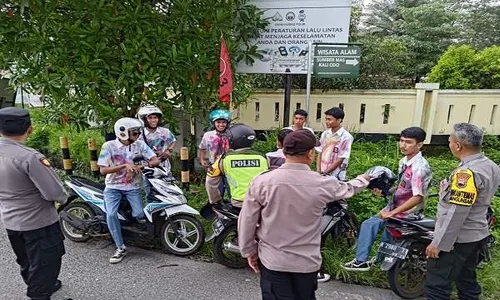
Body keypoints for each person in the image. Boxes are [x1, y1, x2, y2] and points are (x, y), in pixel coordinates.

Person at [238, 129, 372, 300]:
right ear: (310, 154)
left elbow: (247, 221)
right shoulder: (322, 183)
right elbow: (349, 188)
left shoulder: (262, 182)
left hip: (273, 262)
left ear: (283, 150)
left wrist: (249, 251)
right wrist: (366, 177)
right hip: (306, 265)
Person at [426, 123, 500, 300]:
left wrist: (439, 244)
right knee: (467, 283)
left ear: (457, 145)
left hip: (456, 240)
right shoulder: (490, 165)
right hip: (476, 236)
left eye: (450, 140)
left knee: (437, 287)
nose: (449, 144)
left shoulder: (466, 174)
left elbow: (457, 212)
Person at [0, 107, 68, 300]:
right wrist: (64, 199)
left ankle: (39, 285)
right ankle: (39, 293)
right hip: (39, 222)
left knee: (26, 259)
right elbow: (54, 193)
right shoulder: (29, 157)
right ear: (30, 129)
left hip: (10, 220)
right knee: (46, 263)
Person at [343, 126, 432, 271]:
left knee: (369, 224)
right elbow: (403, 187)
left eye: (408, 142)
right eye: (402, 141)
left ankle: (361, 261)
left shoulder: (419, 168)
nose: (403, 145)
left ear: (420, 144)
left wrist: (392, 213)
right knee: (381, 231)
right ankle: (376, 261)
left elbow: (417, 197)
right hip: (394, 207)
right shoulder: (404, 161)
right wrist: (386, 192)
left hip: (408, 213)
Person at [97, 117, 160, 264]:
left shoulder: (139, 145)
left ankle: (128, 232)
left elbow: (155, 160)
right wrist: (124, 166)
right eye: (134, 132)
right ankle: (120, 247)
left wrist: (139, 167)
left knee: (139, 213)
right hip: (113, 187)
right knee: (111, 214)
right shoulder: (109, 146)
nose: (138, 134)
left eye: (138, 132)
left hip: (133, 187)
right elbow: (103, 170)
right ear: (123, 133)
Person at [205, 123, 269, 208]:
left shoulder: (224, 159)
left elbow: (210, 182)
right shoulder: (264, 158)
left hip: (238, 204)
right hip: (262, 203)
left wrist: (215, 201)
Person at [199, 109, 231, 198]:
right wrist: (202, 159)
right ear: (213, 123)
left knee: (231, 190)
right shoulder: (208, 135)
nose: (221, 125)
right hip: (214, 166)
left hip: (229, 167)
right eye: (218, 122)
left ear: (227, 123)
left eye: (223, 122)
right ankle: (216, 208)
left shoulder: (231, 134)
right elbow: (202, 148)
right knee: (215, 191)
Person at [316, 107, 354, 180]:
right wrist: (318, 171)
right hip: (322, 173)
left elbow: (341, 158)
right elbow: (320, 152)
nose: (327, 121)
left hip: (336, 175)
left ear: (339, 120)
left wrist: (325, 172)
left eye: (330, 119)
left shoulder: (346, 137)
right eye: (326, 119)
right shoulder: (325, 134)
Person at [137, 105, 176, 174]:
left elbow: (173, 141)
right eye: (150, 118)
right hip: (145, 165)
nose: (153, 120)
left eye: (155, 117)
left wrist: (168, 151)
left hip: (163, 166)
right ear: (144, 120)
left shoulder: (165, 132)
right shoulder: (139, 135)